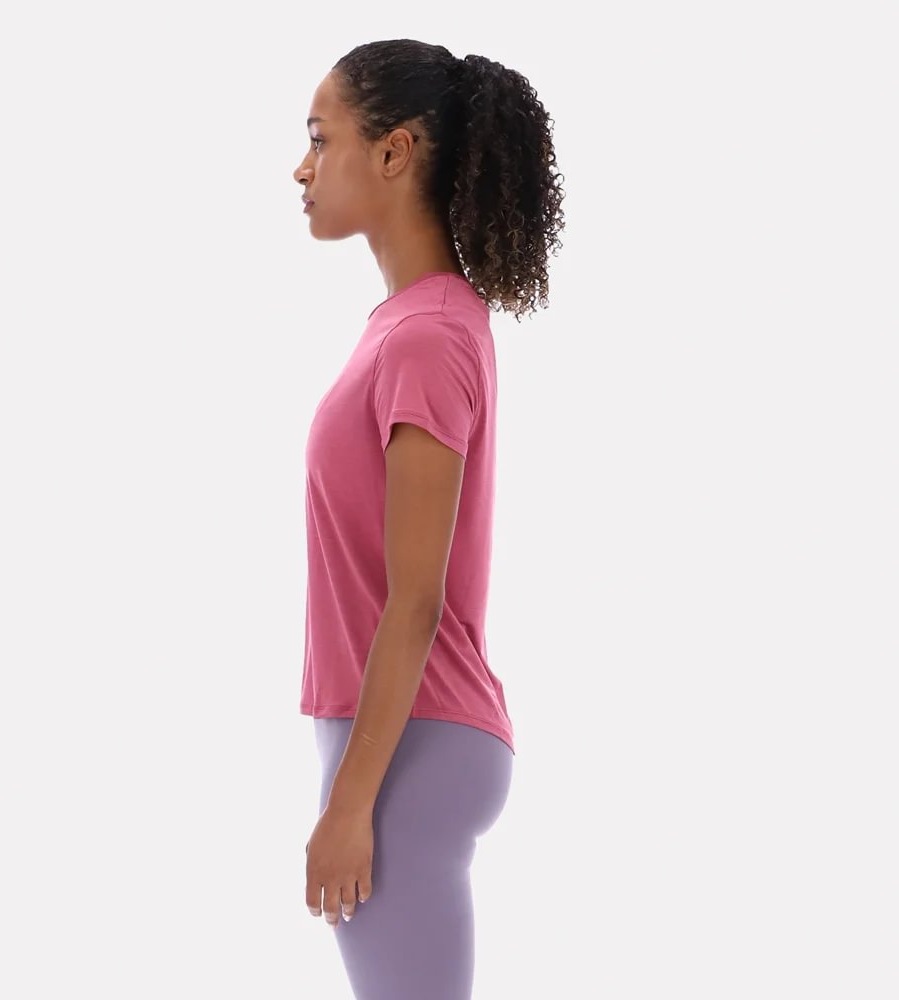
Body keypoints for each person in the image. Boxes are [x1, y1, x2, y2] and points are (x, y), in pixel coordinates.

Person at [292, 38, 565, 999]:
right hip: (402, 738)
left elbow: (416, 599)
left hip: (409, 745)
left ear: (395, 151)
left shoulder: (428, 336)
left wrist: (350, 804)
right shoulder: (417, 325)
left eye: (320, 139)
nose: (301, 168)